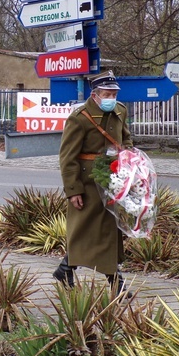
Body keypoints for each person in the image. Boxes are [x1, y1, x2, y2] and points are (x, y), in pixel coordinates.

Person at [54, 70, 132, 294]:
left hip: (113, 180)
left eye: (114, 94)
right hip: (88, 184)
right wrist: (73, 190)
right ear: (95, 95)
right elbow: (67, 157)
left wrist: (124, 153)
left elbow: (126, 137)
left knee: (108, 230)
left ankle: (67, 268)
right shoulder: (79, 117)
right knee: (86, 230)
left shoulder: (120, 111)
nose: (111, 99)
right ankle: (113, 281)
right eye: (107, 94)